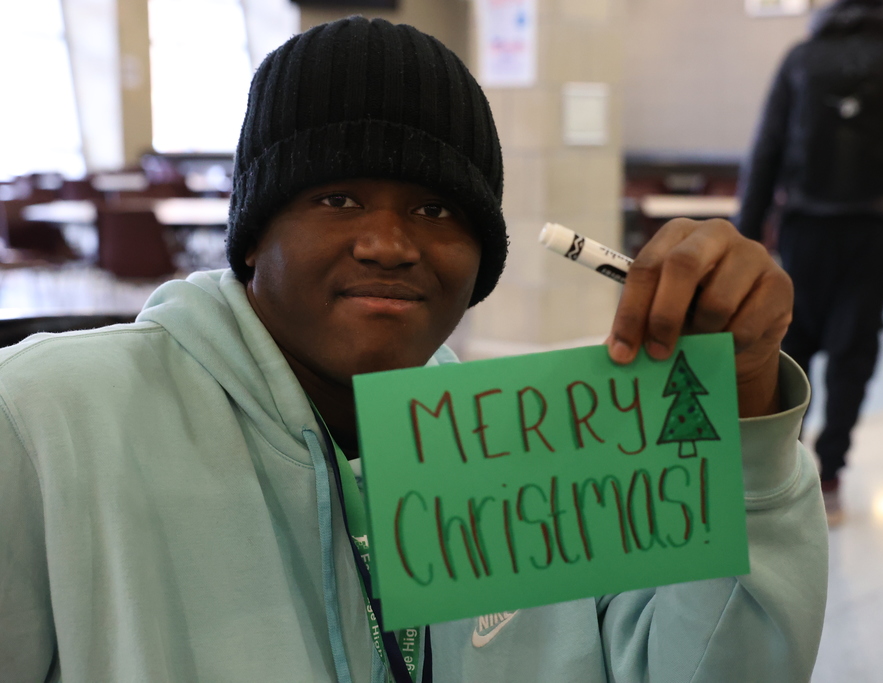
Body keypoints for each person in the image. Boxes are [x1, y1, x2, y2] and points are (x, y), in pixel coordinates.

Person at [0, 17, 827, 682]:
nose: (389, 243)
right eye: (338, 196)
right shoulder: (50, 420)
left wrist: (746, 399)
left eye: (436, 209)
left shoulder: (522, 456)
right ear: (252, 237)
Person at [736, 0, 883, 525]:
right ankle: (831, 475)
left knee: (793, 343)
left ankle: (778, 471)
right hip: (874, 228)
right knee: (853, 351)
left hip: (805, 227)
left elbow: (766, 147)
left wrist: (746, 237)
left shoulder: (801, 57)